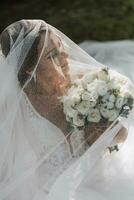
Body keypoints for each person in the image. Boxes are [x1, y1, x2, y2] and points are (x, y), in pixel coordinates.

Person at [0, 19, 132, 200]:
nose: (64, 56)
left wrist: (104, 132)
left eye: (60, 46)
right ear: (31, 69)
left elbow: (121, 136)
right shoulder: (13, 109)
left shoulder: (87, 85)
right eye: (52, 55)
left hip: (101, 179)